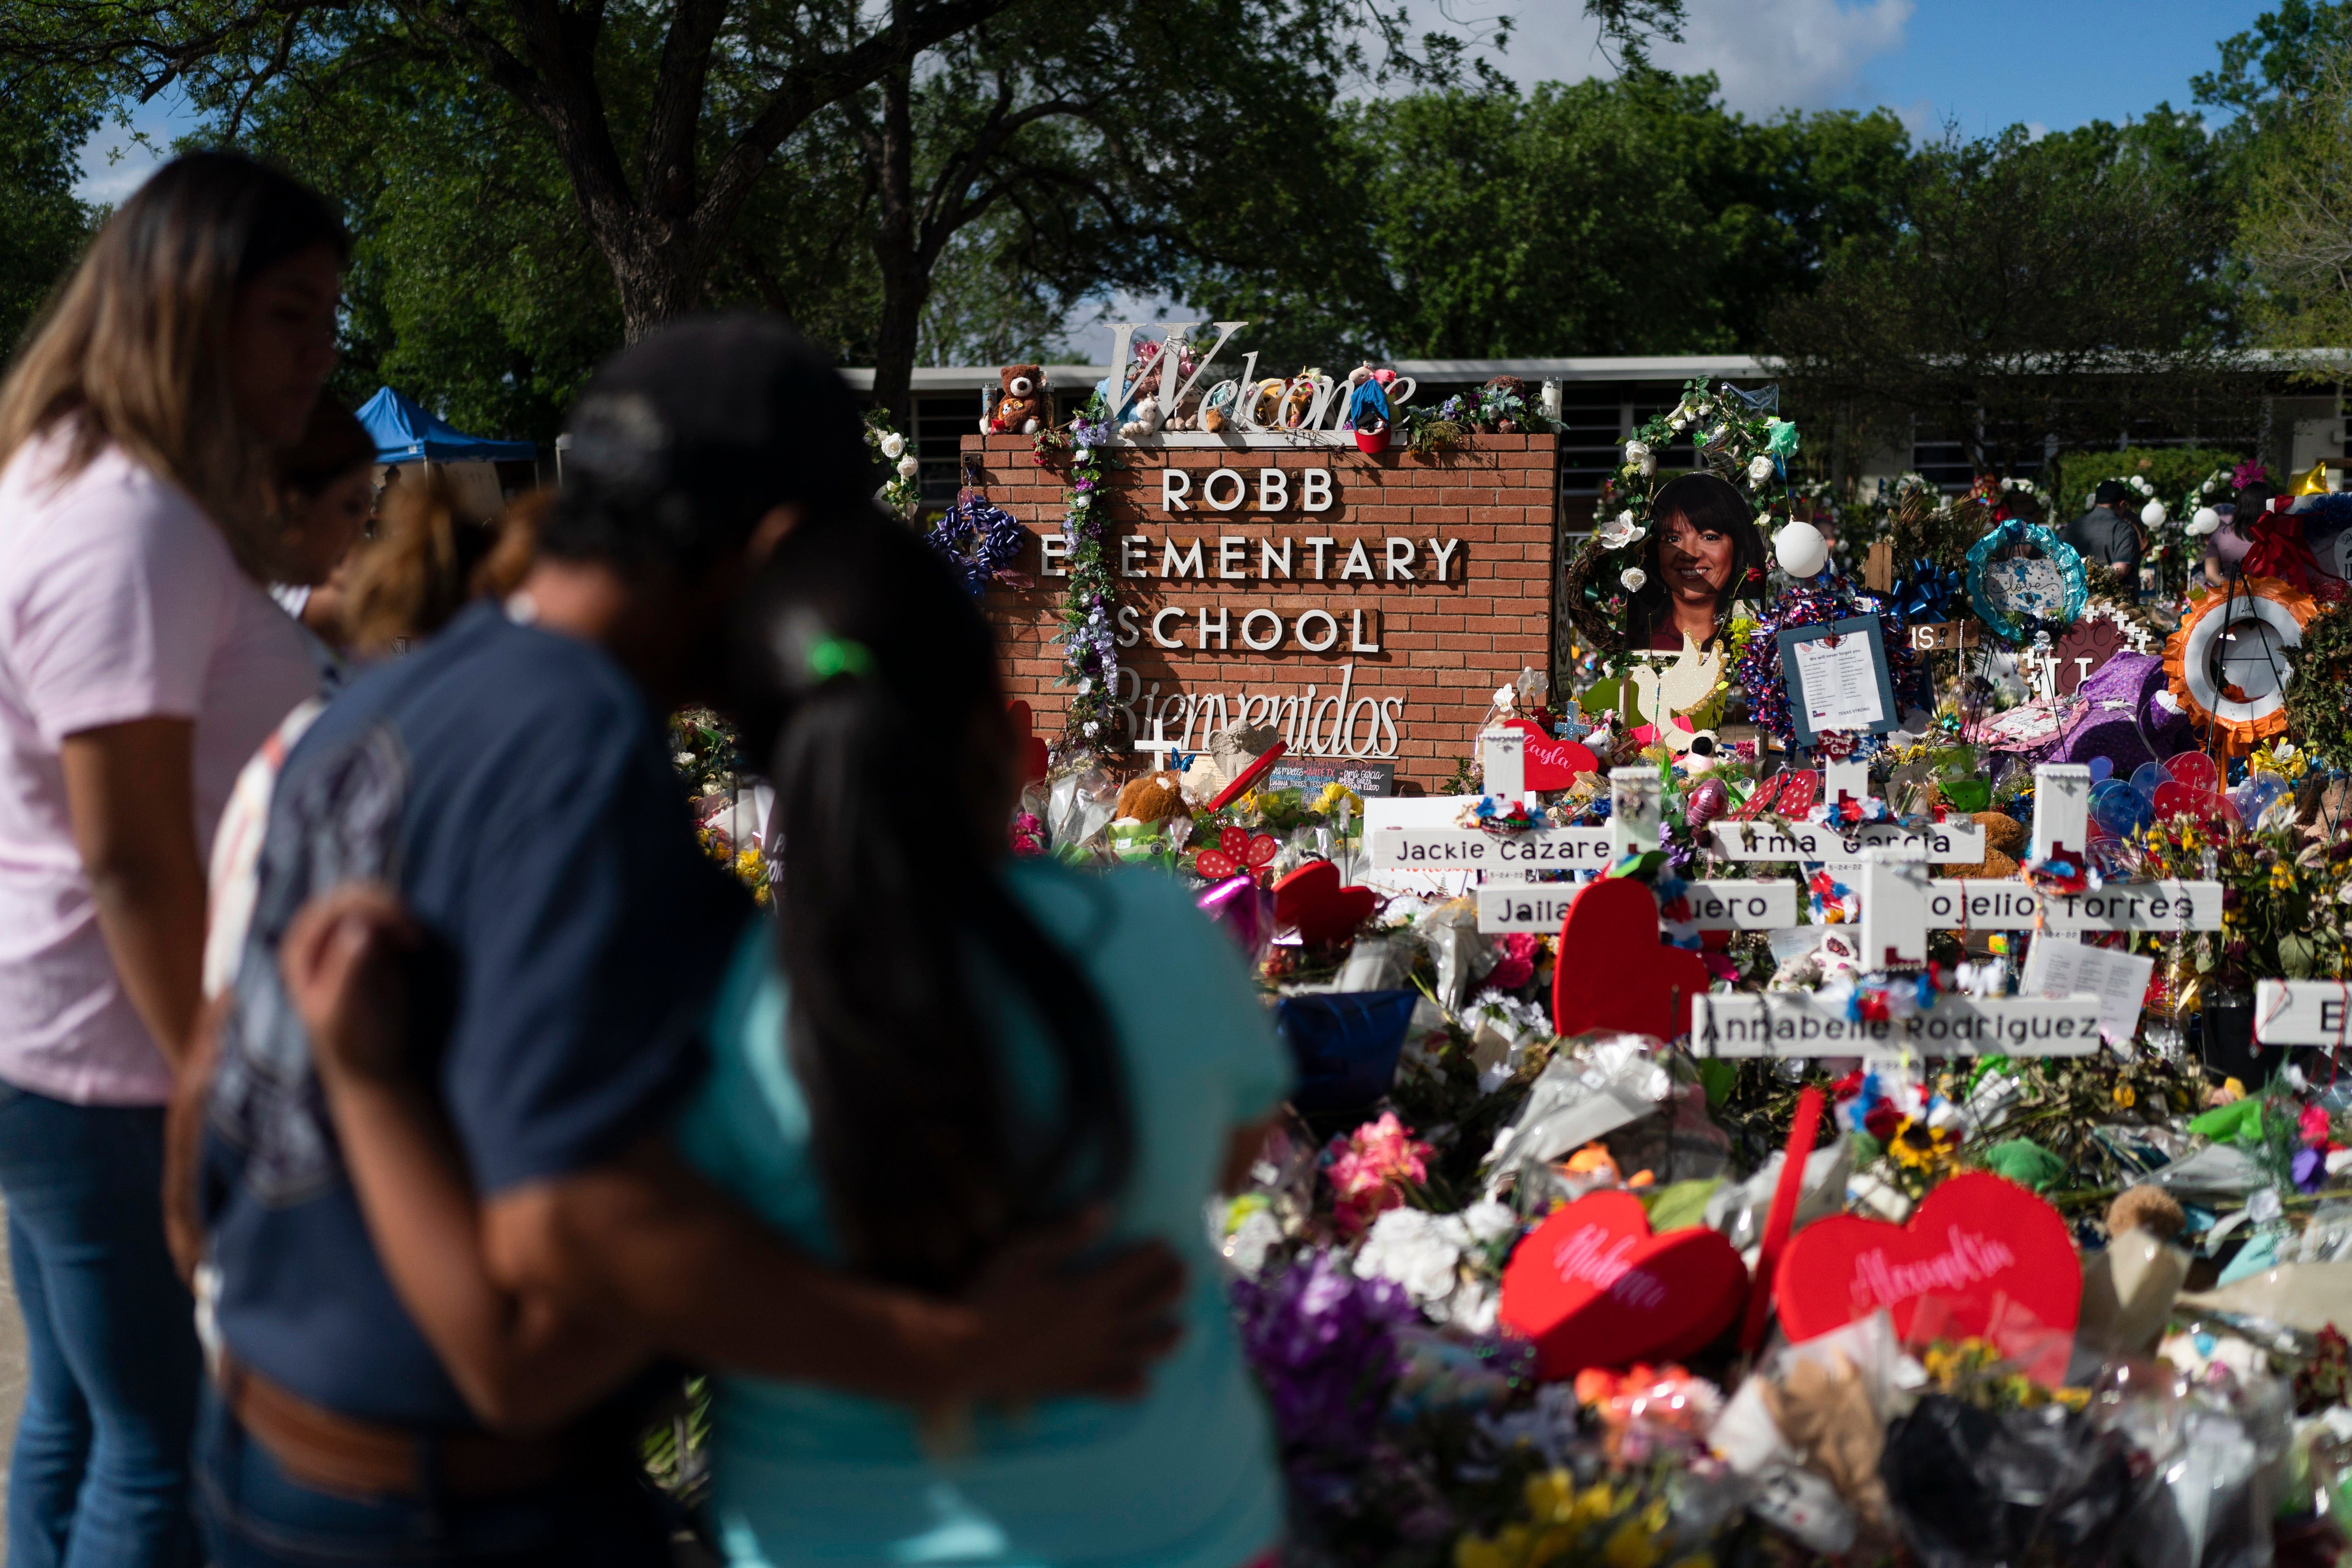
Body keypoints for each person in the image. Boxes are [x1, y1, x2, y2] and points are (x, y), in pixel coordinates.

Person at [187, 315, 1189, 1568]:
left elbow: (203, 1122)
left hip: (268, 1442)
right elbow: (568, 1238)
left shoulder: (391, 691)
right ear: (771, 548)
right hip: (447, 1506)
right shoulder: (575, 745)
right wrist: (959, 1352)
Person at [0, 151, 338, 1568]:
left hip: (72, 1048)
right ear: (190, 306)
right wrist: (217, 1073)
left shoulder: (72, 477)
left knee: (78, 1421)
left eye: (329, 313)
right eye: (290, 313)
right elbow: (130, 854)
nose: (322, 354)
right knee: (165, 1451)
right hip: (127, 1069)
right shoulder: (124, 518)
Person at [270, 397, 377, 673]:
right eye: (353, 506)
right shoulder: (280, 595)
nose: (361, 522)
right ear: (295, 502)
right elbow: (389, 601)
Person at [1627, 471, 1767, 651]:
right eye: (1673, 539)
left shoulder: (1767, 639)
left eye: (1709, 537)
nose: (1689, 554)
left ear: (1738, 547)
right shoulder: (1636, 639)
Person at [2064, 480, 2143, 579]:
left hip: (2072, 592)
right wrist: (2092, 583)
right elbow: (2120, 570)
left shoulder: (2071, 528)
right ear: (2122, 505)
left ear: (2095, 503)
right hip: (2109, 593)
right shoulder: (2124, 531)